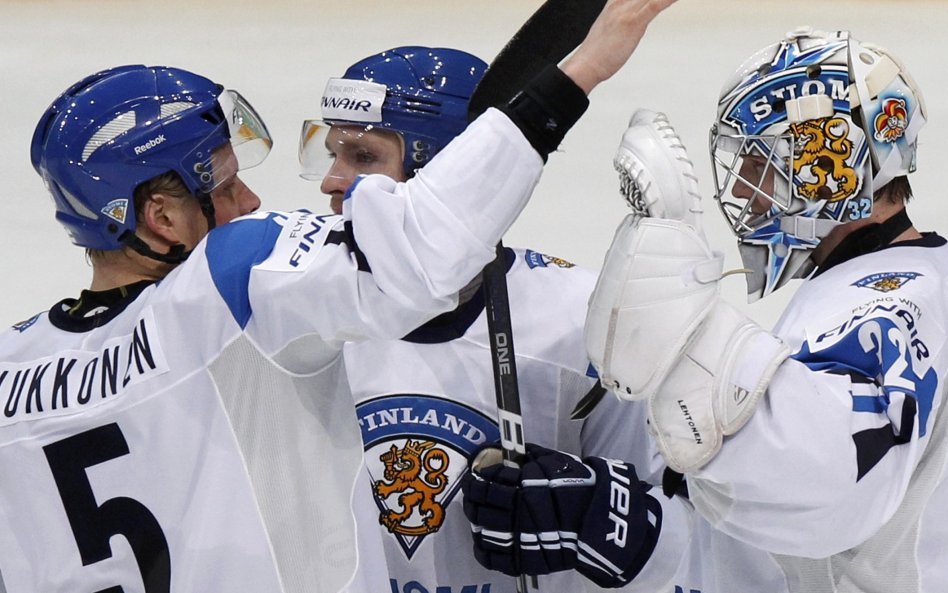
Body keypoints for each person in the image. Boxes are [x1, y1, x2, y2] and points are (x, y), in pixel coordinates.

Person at [0, 1, 682, 592]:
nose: (257, 199)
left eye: (360, 157)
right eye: (227, 184)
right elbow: (420, 249)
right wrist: (583, 65)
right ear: (161, 218)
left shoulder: (11, 369)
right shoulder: (238, 290)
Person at [466, 27, 948, 593]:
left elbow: (824, 484)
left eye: (762, 164)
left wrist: (680, 319)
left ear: (831, 172)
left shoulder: (884, 309)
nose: (744, 189)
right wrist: (609, 510)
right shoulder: (924, 278)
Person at [299, 45, 682, 593]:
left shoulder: (583, 317)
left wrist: (592, 510)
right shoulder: (296, 312)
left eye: (361, 156)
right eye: (332, 152)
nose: (331, 182)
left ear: (450, 175)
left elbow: (656, 517)